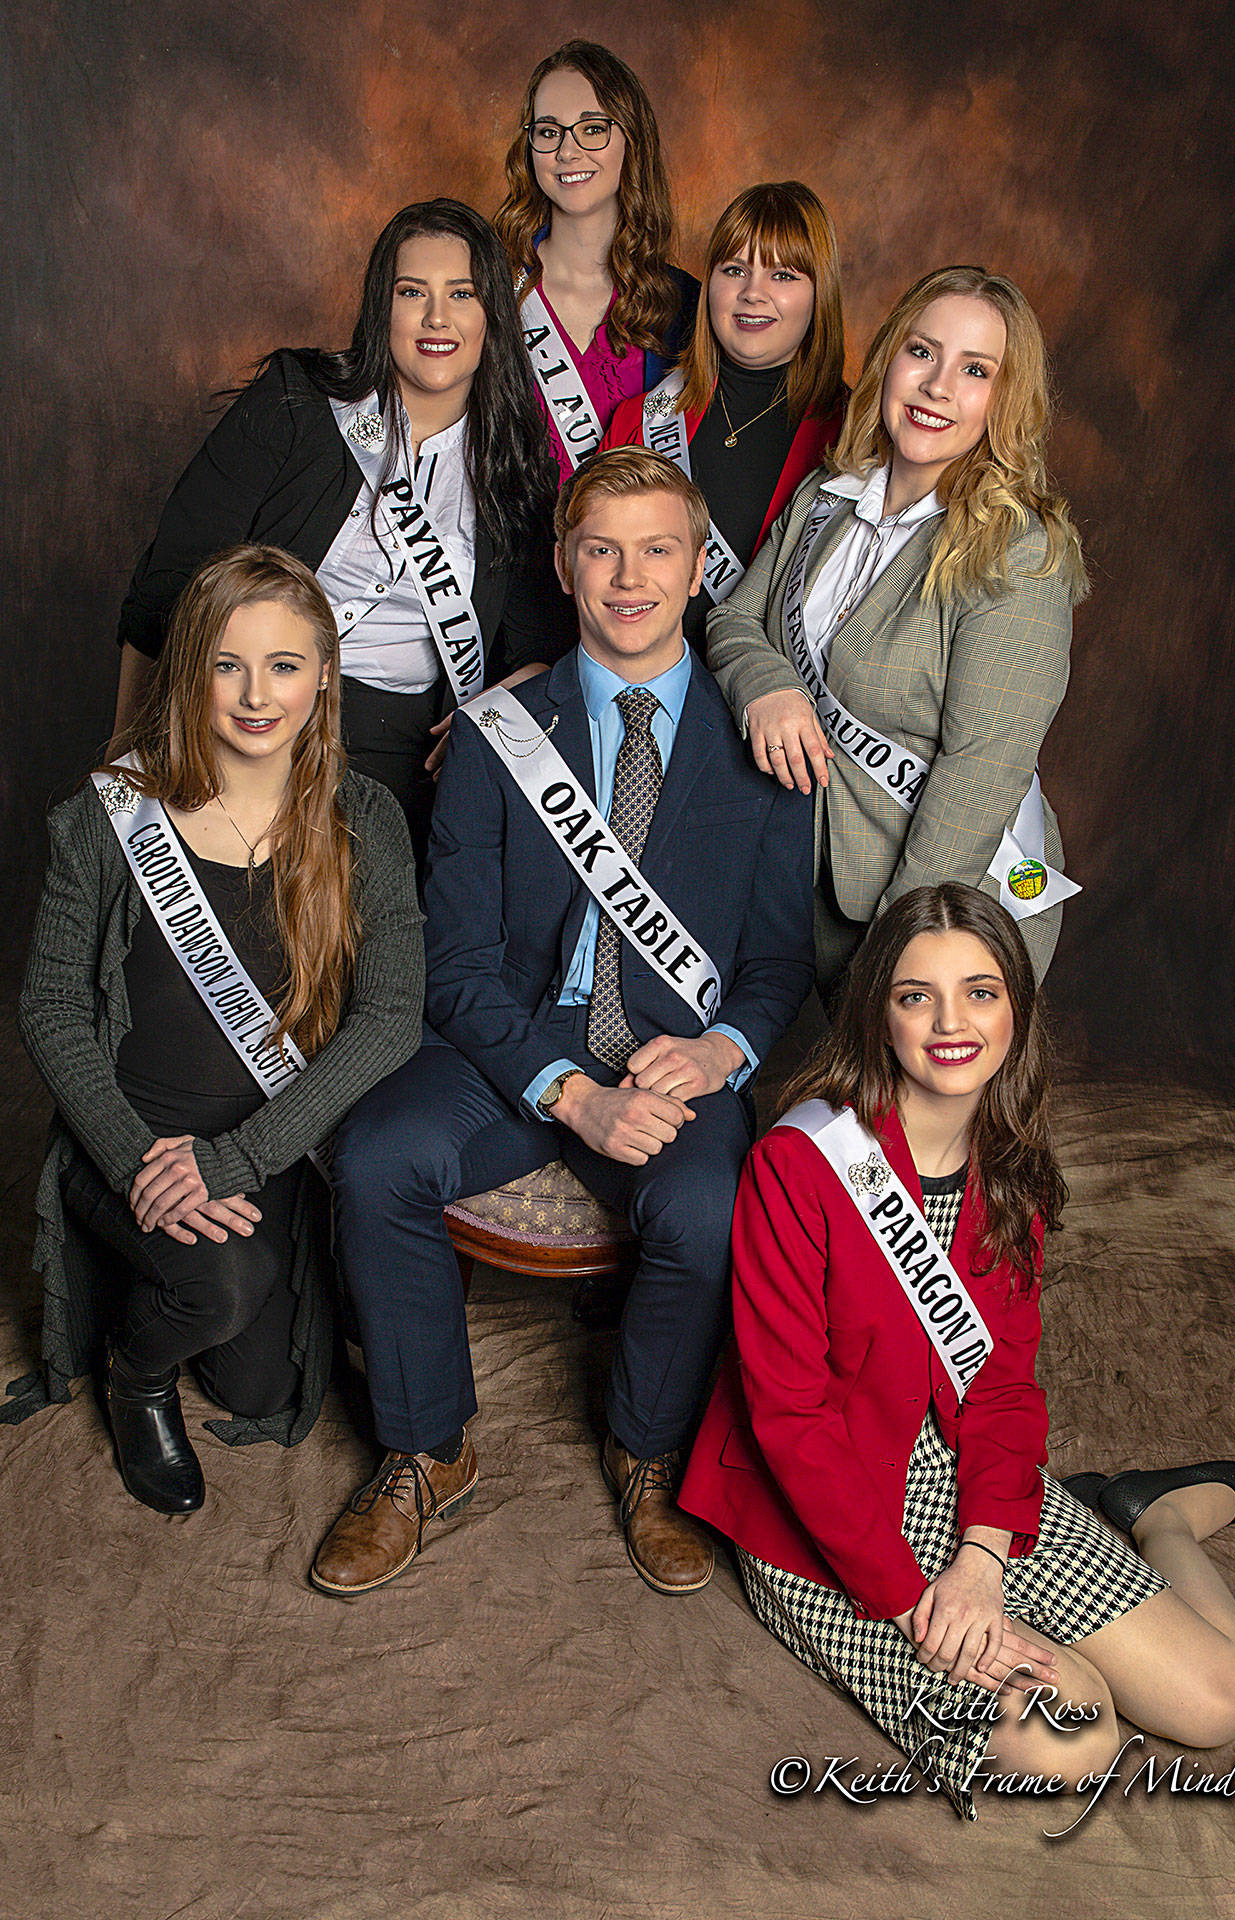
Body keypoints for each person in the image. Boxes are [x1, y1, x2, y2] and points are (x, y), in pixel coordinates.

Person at [310, 447, 814, 1599]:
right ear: (561, 564)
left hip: (671, 1059)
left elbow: (779, 960)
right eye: (601, 551)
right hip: (514, 1046)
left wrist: (721, 1050)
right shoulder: (499, 733)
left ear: (697, 568)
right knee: (377, 1155)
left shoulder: (759, 743)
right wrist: (569, 1094)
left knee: (707, 1207)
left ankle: (646, 1452)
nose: (627, 578)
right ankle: (426, 1449)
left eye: (655, 550)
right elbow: (456, 963)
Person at [680, 885, 1235, 1820]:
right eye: (917, 996)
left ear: (1015, 1013)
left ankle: (1156, 1518)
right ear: (879, 1014)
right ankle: (1048, 1617)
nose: (951, 1024)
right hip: (824, 1510)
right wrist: (917, 1599)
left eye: (980, 993)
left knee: (1222, 1699)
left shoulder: (1008, 1168)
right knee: (1072, 1736)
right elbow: (791, 1421)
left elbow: (1000, 1387)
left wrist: (984, 1560)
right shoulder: (800, 1164)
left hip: (956, 1472)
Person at [13, 547, 424, 1513]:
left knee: (263, 1389)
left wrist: (235, 1161)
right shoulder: (110, 813)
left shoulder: (364, 818)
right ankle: (135, 1374)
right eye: (226, 665)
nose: (256, 695)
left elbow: (391, 1016)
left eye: (284, 665)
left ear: (325, 674)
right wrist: (136, 1163)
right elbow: (52, 1008)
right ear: (189, 669)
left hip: (267, 1143)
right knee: (222, 1288)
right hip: (129, 1138)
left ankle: (158, 1273)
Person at [113, 201, 571, 862]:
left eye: (461, 294)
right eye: (411, 292)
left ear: (492, 316)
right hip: (252, 717)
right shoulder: (298, 401)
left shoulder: (514, 468)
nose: (436, 318)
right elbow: (167, 583)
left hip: (401, 755)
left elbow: (543, 645)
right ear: (381, 308)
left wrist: (502, 700)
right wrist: (126, 768)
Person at [707, 266, 1090, 994]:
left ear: (1005, 400)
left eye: (975, 370)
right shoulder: (827, 497)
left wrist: (895, 961)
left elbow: (979, 777)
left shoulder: (1016, 550)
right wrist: (767, 685)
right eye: (922, 352)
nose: (937, 386)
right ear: (889, 360)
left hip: (949, 911)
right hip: (813, 888)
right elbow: (733, 619)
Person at [602, 181, 847, 657]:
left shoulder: (855, 441)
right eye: (735, 270)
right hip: (639, 683)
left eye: (783, 275)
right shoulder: (638, 419)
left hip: (767, 693)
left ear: (820, 294)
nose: (753, 293)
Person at [495, 40, 699, 482]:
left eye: (592, 129)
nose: (567, 152)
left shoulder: (685, 304)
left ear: (632, 139)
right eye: (548, 132)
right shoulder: (490, 286)